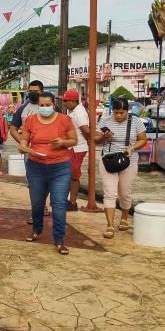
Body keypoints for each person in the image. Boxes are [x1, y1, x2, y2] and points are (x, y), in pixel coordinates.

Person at [19, 92, 78, 255]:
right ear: (38, 106)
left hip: (60, 168)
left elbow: (74, 141)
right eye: (42, 105)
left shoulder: (64, 120)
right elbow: (24, 139)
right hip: (36, 167)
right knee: (37, 203)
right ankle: (37, 229)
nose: (45, 108)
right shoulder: (31, 120)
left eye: (48, 105)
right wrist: (23, 146)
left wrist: (63, 142)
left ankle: (59, 240)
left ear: (53, 104)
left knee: (59, 204)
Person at [94, 97, 148, 239]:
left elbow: (143, 139)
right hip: (108, 160)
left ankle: (124, 217)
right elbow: (94, 139)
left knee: (124, 192)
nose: (118, 116)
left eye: (121, 113)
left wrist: (132, 148)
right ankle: (110, 225)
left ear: (127, 111)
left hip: (128, 161)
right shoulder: (105, 120)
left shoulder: (135, 121)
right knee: (110, 193)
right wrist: (104, 137)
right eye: (116, 112)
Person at [9, 80, 50, 220]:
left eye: (36, 91)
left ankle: (42, 204)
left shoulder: (50, 107)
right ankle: (37, 209)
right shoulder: (22, 108)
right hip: (30, 153)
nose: (33, 93)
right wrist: (22, 143)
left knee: (47, 180)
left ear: (42, 91)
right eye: (30, 91)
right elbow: (13, 129)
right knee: (33, 182)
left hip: (49, 151)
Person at [62, 90, 91, 211]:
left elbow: (86, 130)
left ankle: (72, 202)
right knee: (70, 175)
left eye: (65, 101)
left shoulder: (78, 112)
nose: (64, 103)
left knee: (73, 176)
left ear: (73, 101)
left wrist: (89, 141)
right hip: (73, 147)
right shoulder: (74, 110)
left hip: (76, 148)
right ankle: (69, 201)